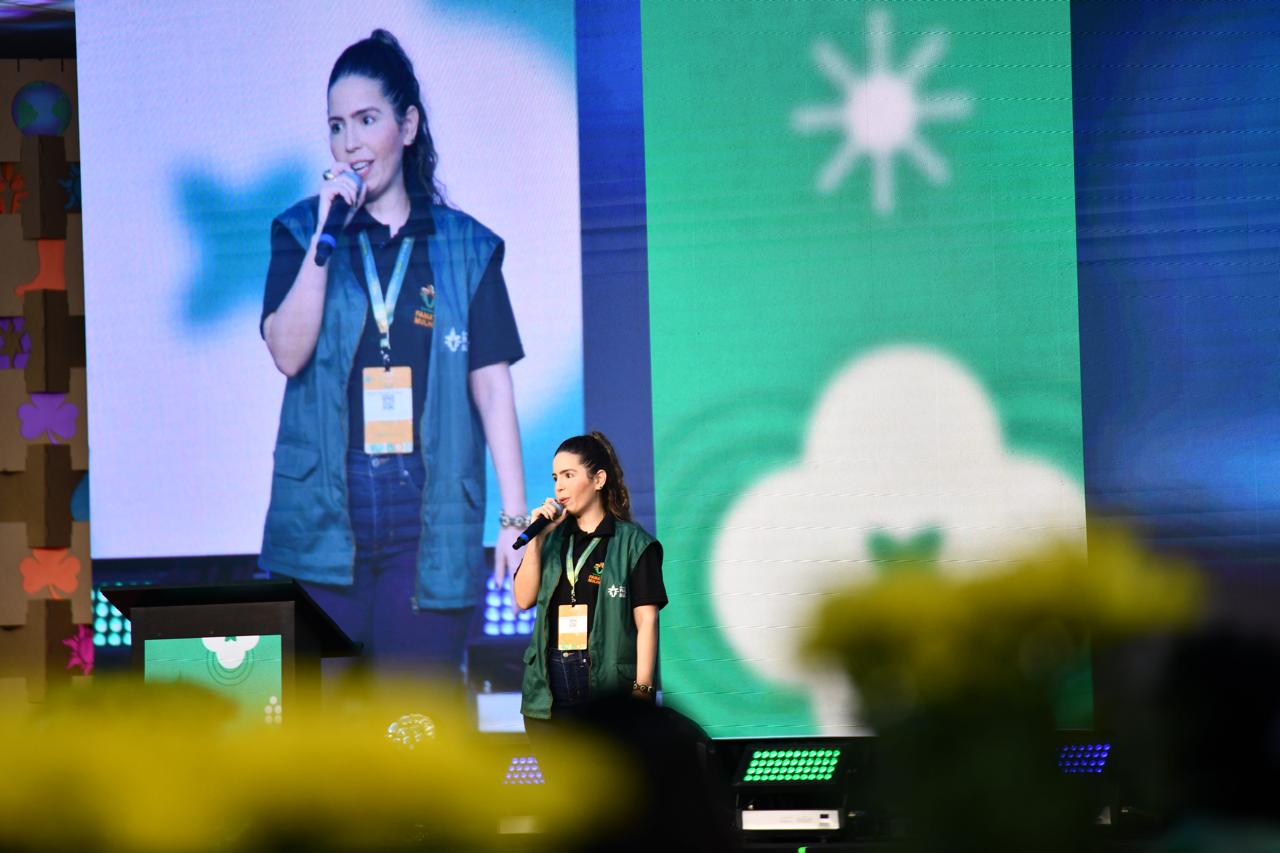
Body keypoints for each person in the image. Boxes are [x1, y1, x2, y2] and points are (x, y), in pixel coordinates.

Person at [258, 30, 527, 679]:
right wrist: (324, 239)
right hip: (323, 513)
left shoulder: (465, 248)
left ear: (406, 126)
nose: (350, 143)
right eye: (336, 126)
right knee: (320, 726)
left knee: (414, 720)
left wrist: (517, 520)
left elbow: (492, 387)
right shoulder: (300, 231)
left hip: (427, 514)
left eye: (366, 120)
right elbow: (287, 354)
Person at [514, 433, 667, 736]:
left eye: (569, 475)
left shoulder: (634, 543)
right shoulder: (550, 539)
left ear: (598, 480)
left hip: (606, 685)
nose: (559, 486)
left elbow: (647, 621)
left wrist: (642, 689)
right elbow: (523, 599)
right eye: (555, 477)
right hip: (550, 688)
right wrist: (536, 541)